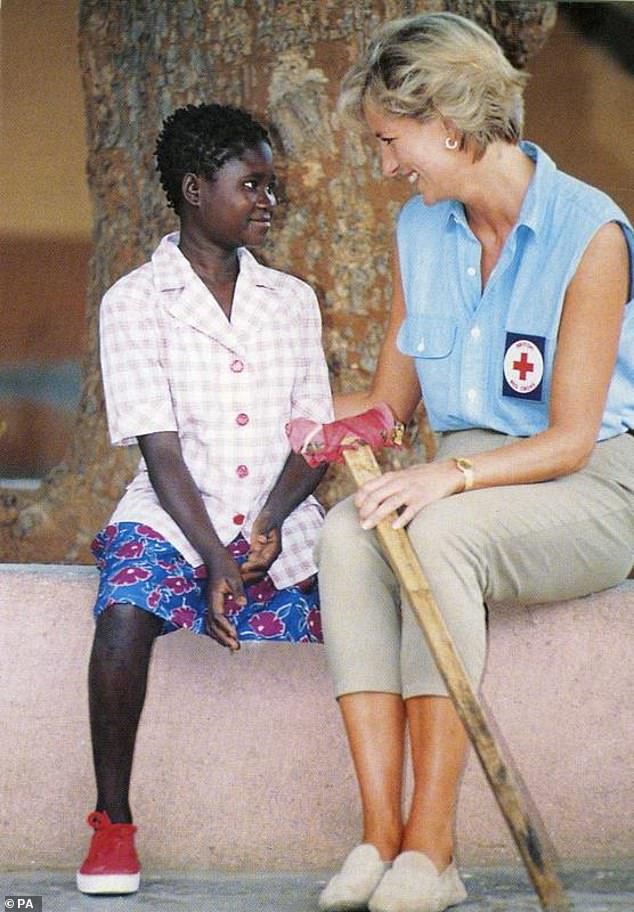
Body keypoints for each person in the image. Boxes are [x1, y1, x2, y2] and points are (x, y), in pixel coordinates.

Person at [316, 12, 634, 912]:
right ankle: (380, 838)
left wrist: (446, 479)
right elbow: (390, 408)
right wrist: (294, 409)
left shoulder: (591, 233)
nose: (385, 166)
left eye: (391, 140)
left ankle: (436, 848)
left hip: (590, 485)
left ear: (449, 125)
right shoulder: (424, 230)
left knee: (439, 537)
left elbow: (572, 436)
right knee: (346, 534)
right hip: (459, 479)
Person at [76, 102, 333, 895]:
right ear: (194, 189)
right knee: (124, 608)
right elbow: (160, 451)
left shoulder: (291, 301)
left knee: (365, 603)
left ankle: (391, 828)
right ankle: (112, 824)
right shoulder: (134, 302)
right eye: (251, 185)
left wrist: (265, 527)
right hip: (174, 515)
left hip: (274, 520)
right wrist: (216, 556)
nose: (268, 202)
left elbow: (314, 441)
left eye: (272, 187)